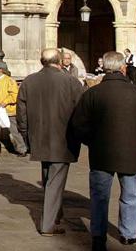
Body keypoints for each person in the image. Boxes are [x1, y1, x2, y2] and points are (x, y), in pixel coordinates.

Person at [69, 50, 136, 251]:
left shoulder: (92, 93)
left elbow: (78, 125)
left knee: (99, 197)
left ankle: (99, 238)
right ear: (122, 68)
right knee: (130, 195)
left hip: (101, 154)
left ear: (105, 68)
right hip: (130, 154)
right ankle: (128, 234)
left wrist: (92, 142)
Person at [17, 48, 85, 236]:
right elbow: (82, 112)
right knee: (54, 180)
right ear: (60, 61)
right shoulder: (71, 82)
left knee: (49, 175)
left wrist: (25, 134)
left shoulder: (29, 81)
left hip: (38, 137)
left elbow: (20, 112)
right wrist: (80, 135)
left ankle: (56, 213)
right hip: (63, 139)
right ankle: (48, 225)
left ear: (41, 61)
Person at [0, 63, 27, 157]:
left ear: (0, 70)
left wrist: (5, 102)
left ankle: (22, 149)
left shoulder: (9, 81)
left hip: (8, 110)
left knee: (13, 130)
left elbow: (14, 95)